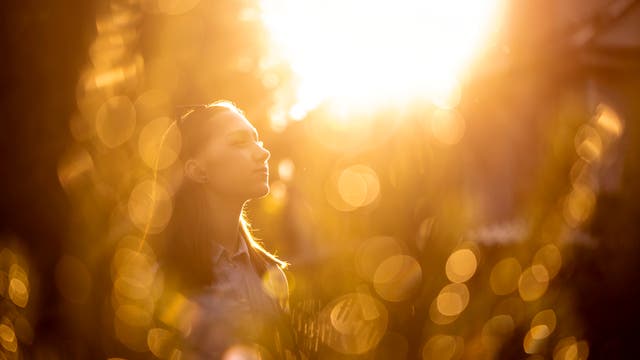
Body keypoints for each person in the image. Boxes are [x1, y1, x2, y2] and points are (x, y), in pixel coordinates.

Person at [154, 101, 299, 359]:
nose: (263, 153)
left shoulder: (270, 275)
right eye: (239, 142)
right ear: (197, 170)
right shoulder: (162, 278)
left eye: (257, 140)